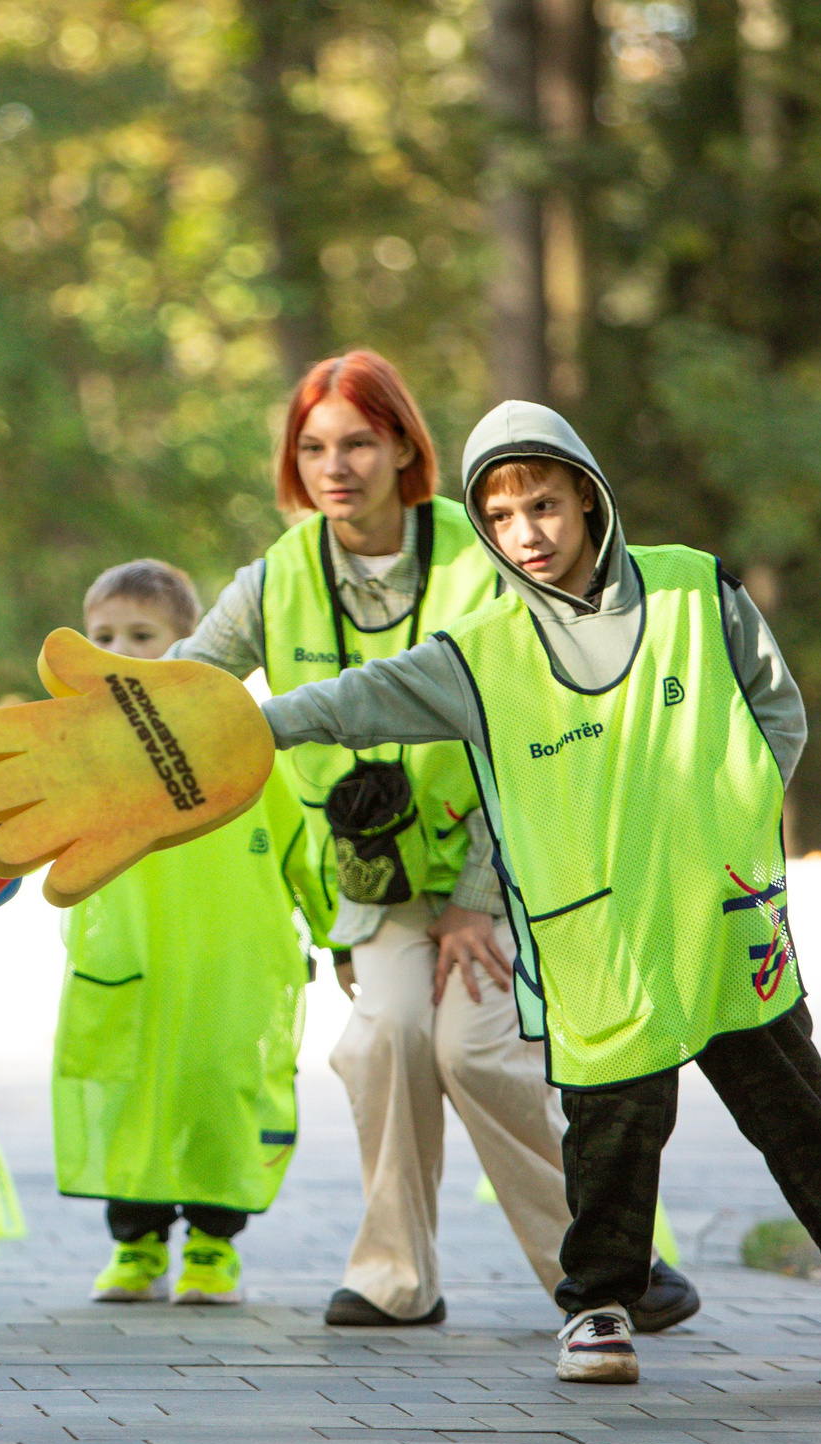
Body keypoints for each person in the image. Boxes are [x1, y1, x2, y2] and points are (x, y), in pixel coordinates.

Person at [257, 399, 821, 1382]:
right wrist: (241, 726)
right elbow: (351, 703)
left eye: (542, 505)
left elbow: (776, 714)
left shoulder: (695, 590)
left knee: (795, 1111)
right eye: (500, 517)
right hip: (596, 938)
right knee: (614, 1128)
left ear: (588, 497)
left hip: (718, 917)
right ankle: (594, 1312)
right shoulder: (479, 654)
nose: (525, 534)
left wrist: (728, 835)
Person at [173, 350, 697, 1332]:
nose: (336, 467)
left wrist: (475, 899)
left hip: (503, 863)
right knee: (387, 1038)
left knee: (478, 1052)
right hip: (374, 879)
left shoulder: (480, 554)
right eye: (313, 448)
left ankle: (612, 1267)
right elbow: (183, 688)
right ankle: (393, 1277)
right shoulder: (274, 578)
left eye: (358, 443)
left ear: (405, 446)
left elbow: (540, 729)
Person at [55, 561, 336, 1306]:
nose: (120, 652)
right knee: (130, 1101)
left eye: (141, 636)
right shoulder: (77, 752)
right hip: (126, 962)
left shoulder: (243, 744)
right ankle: (136, 1245)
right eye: (102, 636)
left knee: (221, 1097)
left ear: (194, 645)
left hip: (232, 966)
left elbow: (304, 847)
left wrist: (340, 934)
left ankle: (214, 1245)